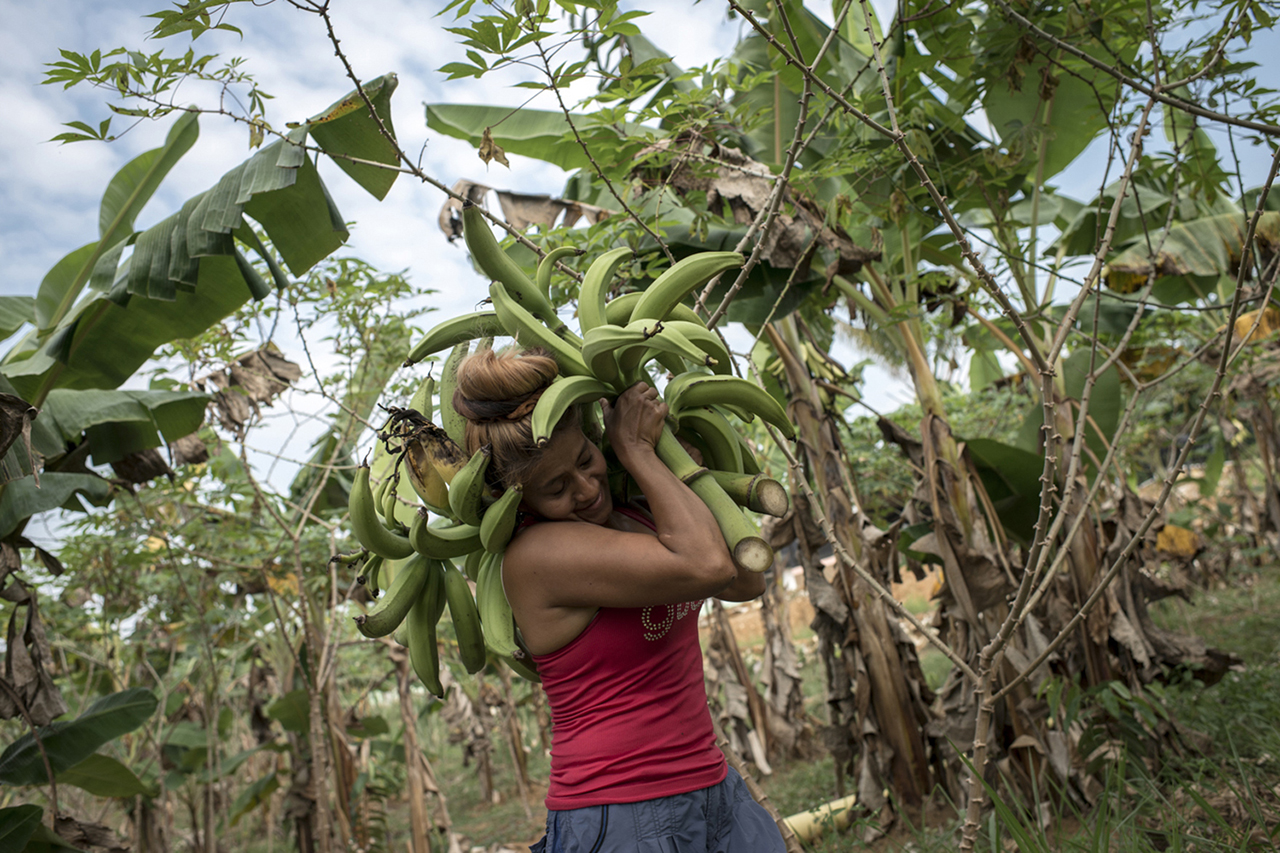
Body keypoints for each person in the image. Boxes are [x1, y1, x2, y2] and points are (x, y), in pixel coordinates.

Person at [452, 346, 788, 853]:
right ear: (518, 500)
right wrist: (639, 452)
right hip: (621, 811)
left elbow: (745, 581)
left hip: (710, 785)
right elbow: (709, 566)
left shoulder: (636, 519)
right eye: (556, 487)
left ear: (593, 439)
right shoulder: (538, 556)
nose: (587, 489)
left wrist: (666, 477)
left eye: (587, 461)